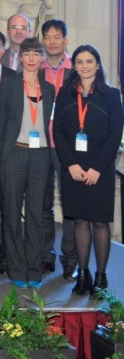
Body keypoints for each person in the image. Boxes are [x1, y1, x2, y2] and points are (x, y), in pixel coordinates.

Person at [53, 45, 124, 295]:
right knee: (80, 220)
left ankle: (101, 277)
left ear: (97, 64)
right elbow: (57, 132)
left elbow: (116, 134)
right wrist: (70, 164)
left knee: (100, 222)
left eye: (90, 61)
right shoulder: (64, 94)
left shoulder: (112, 95)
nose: (85, 66)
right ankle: (82, 274)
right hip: (72, 168)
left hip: (100, 169)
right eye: (80, 61)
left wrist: (97, 168)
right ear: (75, 66)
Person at [0, 37, 55, 289]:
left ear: (42, 58)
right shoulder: (8, 84)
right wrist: (2, 156)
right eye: (27, 53)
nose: (31, 58)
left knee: (35, 214)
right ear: (20, 57)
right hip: (15, 154)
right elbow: (0, 123)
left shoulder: (50, 88)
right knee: (10, 213)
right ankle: (17, 268)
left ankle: (34, 268)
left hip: (41, 155)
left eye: (36, 54)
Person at [41, 18, 75, 279]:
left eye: (57, 37)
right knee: (43, 203)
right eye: (48, 37)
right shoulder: (34, 68)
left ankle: (71, 259)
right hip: (39, 143)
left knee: (70, 204)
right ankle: (45, 255)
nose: (52, 41)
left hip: (68, 145)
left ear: (65, 40)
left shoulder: (77, 69)